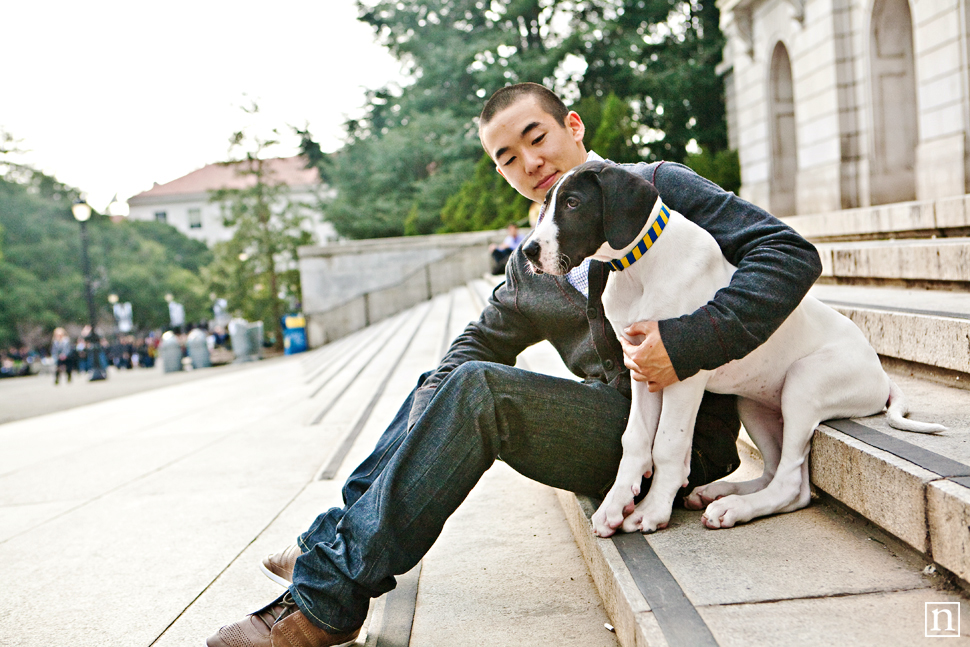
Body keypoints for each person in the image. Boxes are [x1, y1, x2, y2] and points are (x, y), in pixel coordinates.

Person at [207, 83, 822, 647]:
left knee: (482, 391)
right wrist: (432, 401)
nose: (529, 163)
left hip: (687, 439)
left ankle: (324, 601)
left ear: (573, 128)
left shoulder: (656, 188)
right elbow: (477, 345)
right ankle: (337, 545)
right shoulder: (533, 261)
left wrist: (689, 341)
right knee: (446, 377)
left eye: (537, 138)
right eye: (506, 157)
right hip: (607, 431)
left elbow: (788, 253)